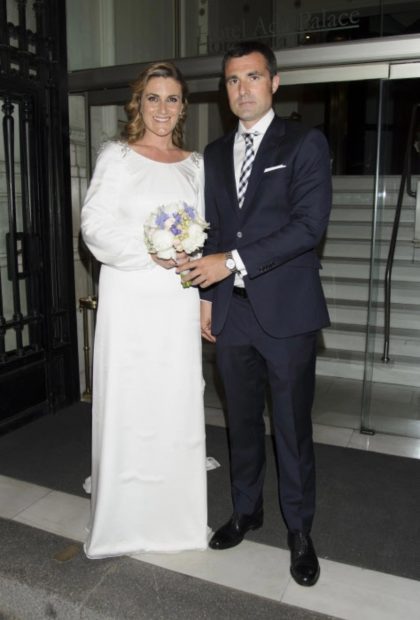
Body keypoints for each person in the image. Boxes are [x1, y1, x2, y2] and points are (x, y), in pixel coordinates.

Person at [180, 41, 332, 586]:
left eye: (251, 77)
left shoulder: (305, 143)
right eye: (231, 80)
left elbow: (307, 227)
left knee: (291, 429)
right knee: (240, 423)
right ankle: (247, 510)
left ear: (274, 82)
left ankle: (299, 530)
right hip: (232, 313)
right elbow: (216, 230)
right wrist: (204, 298)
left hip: (287, 314)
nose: (241, 89)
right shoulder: (216, 153)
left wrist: (234, 261)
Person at [81, 62, 208, 558]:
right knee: (131, 395)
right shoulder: (116, 156)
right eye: (152, 98)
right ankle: (125, 514)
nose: (162, 108)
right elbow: (93, 226)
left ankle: (174, 516)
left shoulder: (194, 165)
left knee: (173, 395)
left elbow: (203, 235)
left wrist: (200, 294)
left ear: (182, 108)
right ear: (138, 104)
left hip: (176, 298)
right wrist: (147, 250)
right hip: (130, 295)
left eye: (171, 99)